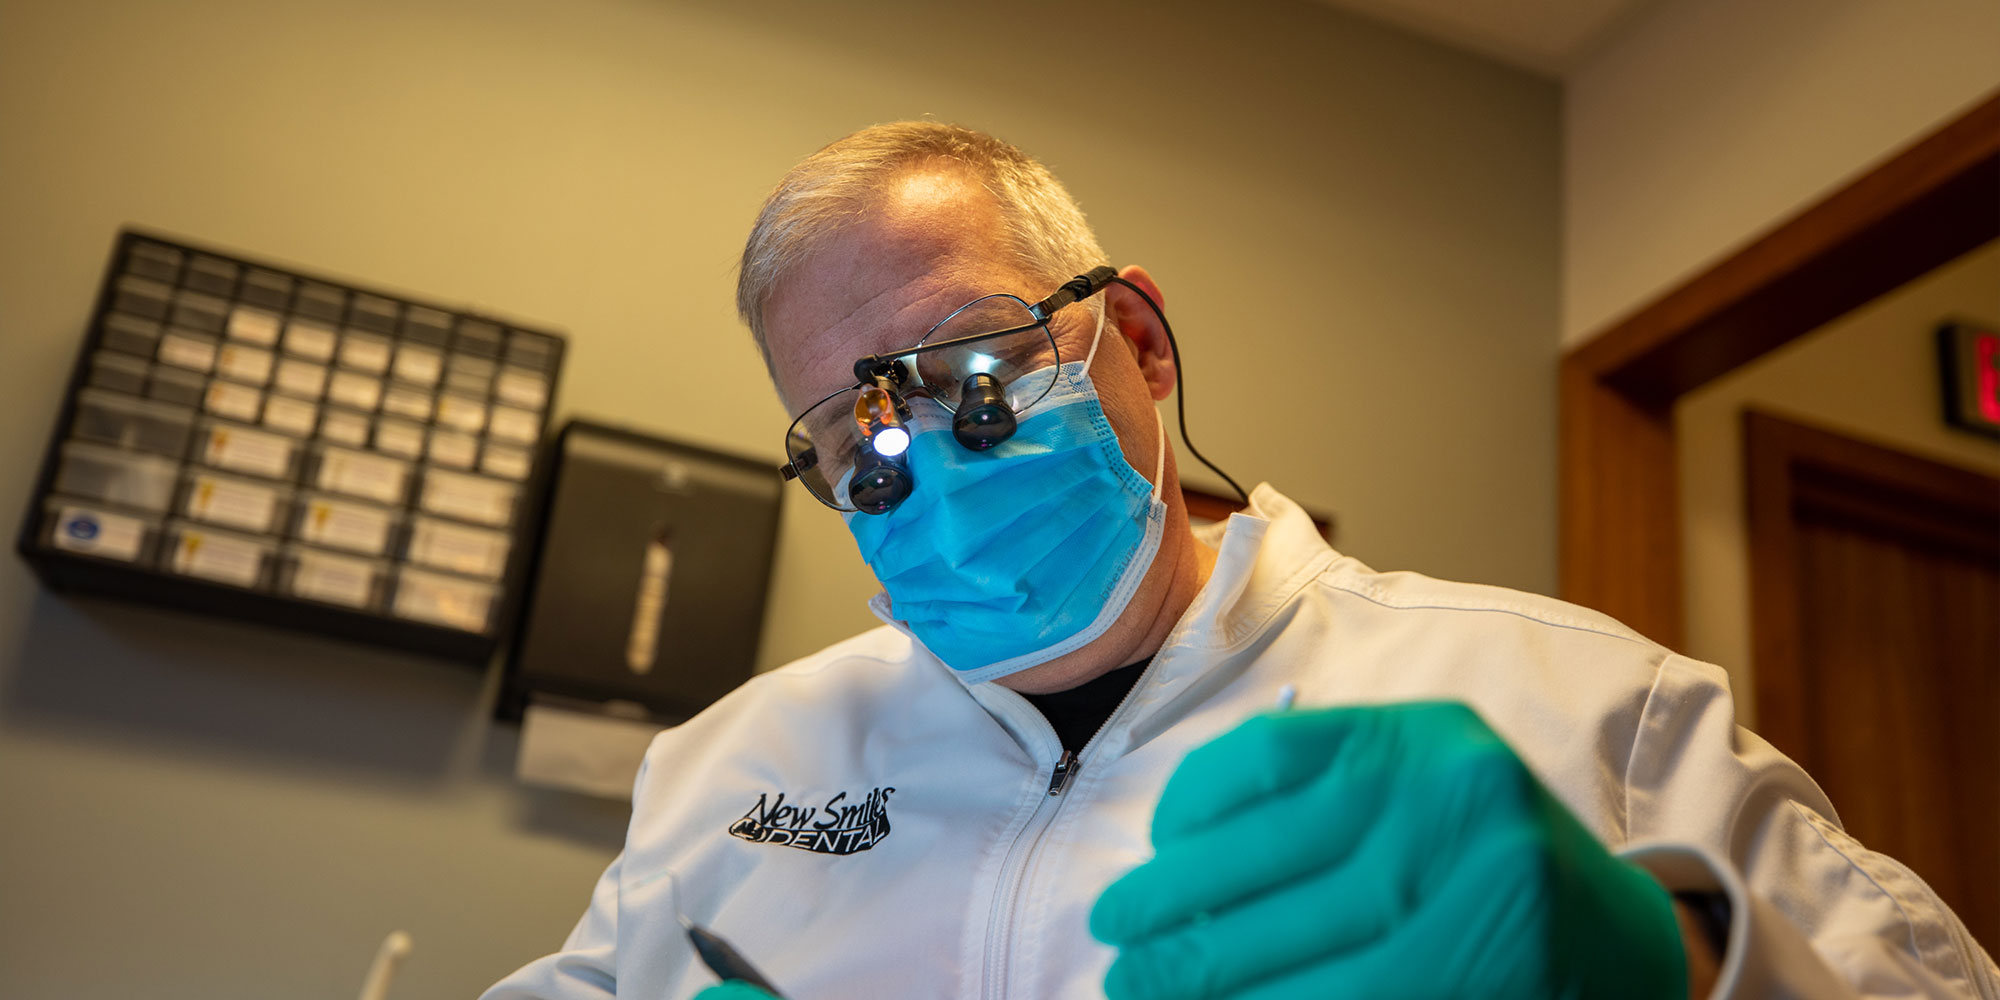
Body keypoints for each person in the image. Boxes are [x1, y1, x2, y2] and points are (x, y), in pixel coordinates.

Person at [484, 122, 1997, 1000]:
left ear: (1135, 339)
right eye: (852, 430)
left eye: (970, 366)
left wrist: (1691, 960)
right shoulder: (729, 766)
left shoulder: (1569, 700)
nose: (922, 454)